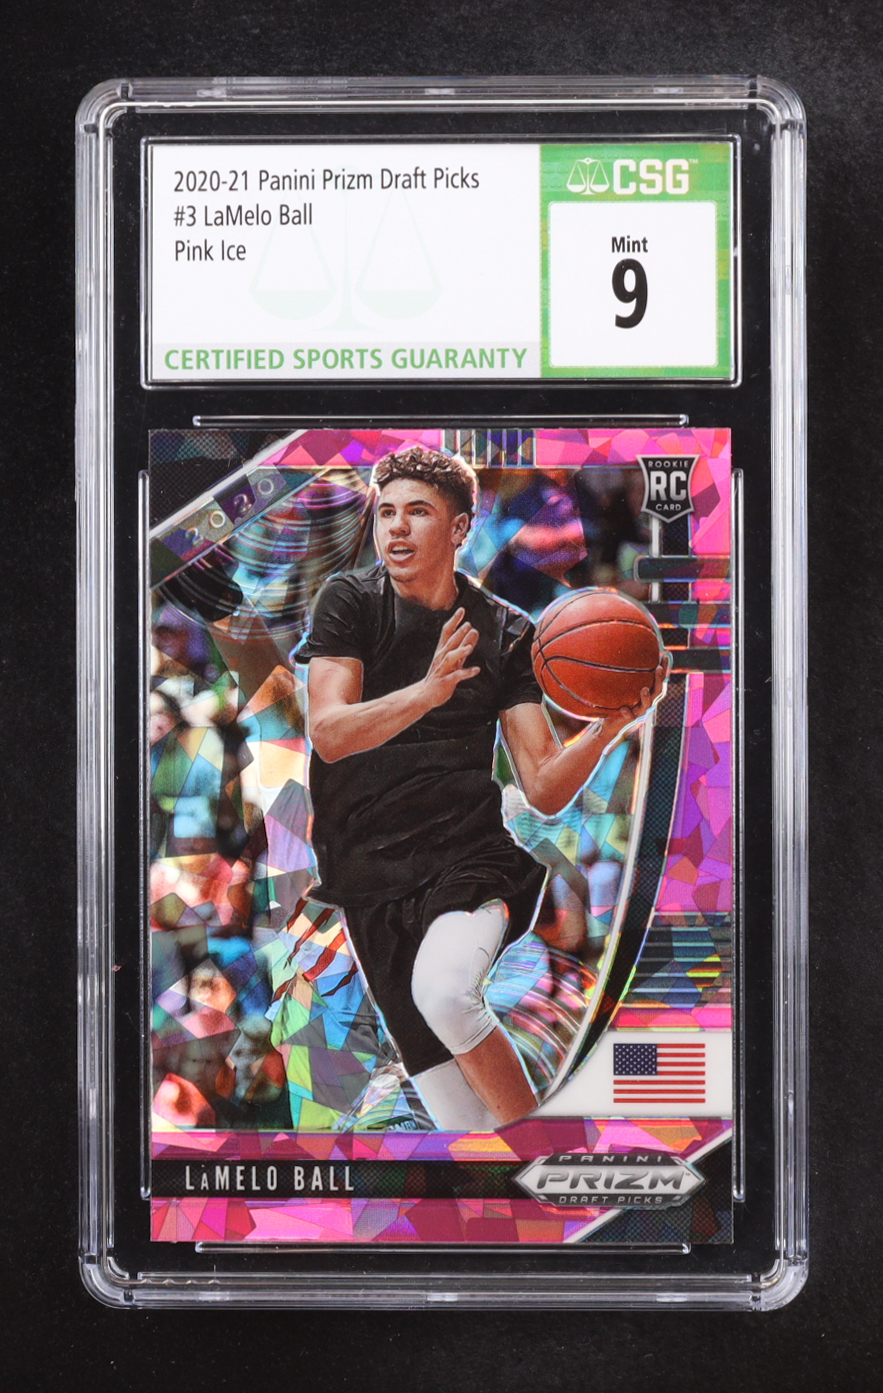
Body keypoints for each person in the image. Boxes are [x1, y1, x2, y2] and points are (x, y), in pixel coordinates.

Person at [293, 445, 667, 1131]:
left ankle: (546, 1151)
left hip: (465, 858)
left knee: (445, 994)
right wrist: (427, 691)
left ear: (460, 527)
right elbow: (330, 732)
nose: (396, 527)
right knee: (462, 1127)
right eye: (386, 513)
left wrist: (608, 727)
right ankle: (517, 1175)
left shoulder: (506, 631)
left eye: (418, 512)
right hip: (366, 879)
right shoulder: (349, 601)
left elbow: (543, 787)